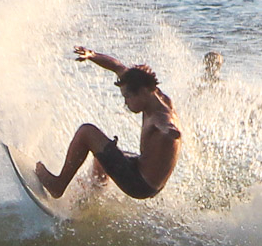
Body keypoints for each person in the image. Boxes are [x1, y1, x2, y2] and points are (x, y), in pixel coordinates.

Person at [35, 47, 182, 200]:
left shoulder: (160, 116)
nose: (126, 103)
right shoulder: (150, 91)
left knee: (86, 132)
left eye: (128, 97)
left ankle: (58, 185)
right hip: (144, 172)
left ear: (143, 92)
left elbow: (166, 124)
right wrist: (92, 55)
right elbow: (117, 66)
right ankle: (93, 195)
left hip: (140, 184)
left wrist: (170, 130)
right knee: (103, 153)